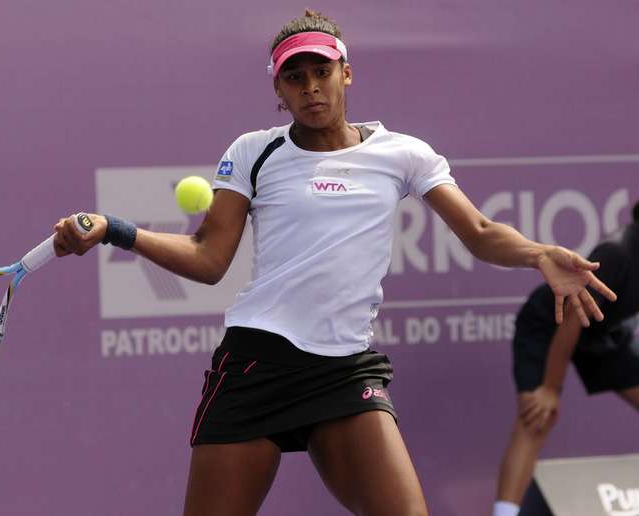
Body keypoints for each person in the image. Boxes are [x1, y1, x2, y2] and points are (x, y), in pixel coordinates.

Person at [54, 11, 616, 516]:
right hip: (257, 365)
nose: (311, 88)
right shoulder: (254, 151)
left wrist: (539, 253)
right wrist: (115, 230)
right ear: (278, 89)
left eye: (321, 72)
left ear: (346, 72)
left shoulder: (403, 154)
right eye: (294, 78)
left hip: (345, 371)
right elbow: (208, 260)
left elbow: (481, 232)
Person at [491, 202, 639, 516]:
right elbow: (571, 322)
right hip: (550, 325)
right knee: (537, 418)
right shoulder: (617, 253)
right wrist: (550, 389)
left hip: (603, 335)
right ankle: (504, 514)